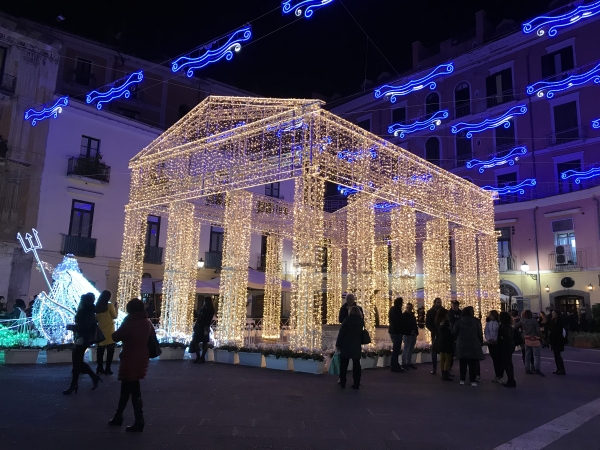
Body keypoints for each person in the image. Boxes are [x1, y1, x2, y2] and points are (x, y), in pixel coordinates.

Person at [109, 298, 155, 432]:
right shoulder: (147, 322)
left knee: (131, 388)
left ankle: (137, 420)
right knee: (129, 387)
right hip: (142, 356)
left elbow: (115, 336)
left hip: (130, 357)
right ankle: (120, 416)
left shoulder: (130, 322)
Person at [64, 293, 102, 395]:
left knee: (77, 361)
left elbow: (85, 326)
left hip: (83, 338)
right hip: (81, 337)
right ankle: (88, 379)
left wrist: (73, 327)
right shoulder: (89, 310)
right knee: (77, 361)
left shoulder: (87, 311)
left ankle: (76, 383)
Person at [452, 306, 484, 386]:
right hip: (473, 343)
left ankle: (462, 379)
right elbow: (479, 333)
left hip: (462, 343)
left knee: (462, 363)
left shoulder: (459, 322)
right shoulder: (475, 322)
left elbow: (454, 332)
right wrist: (480, 342)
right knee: (472, 363)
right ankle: (472, 380)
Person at [335, 305, 364, 389]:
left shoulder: (346, 320)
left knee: (344, 364)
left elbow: (341, 334)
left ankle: (343, 381)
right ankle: (356, 382)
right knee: (356, 364)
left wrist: (338, 345)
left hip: (346, 344)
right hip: (356, 344)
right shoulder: (361, 321)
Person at [514, 310, 544, 377]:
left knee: (527, 354)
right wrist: (540, 337)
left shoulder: (522, 320)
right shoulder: (534, 320)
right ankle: (537, 368)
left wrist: (515, 320)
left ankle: (527, 368)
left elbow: (515, 326)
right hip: (534, 338)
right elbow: (538, 330)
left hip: (526, 338)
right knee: (536, 355)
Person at [95, 290, 118, 375]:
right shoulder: (110, 305)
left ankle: (99, 367)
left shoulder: (97, 306)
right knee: (110, 350)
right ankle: (107, 369)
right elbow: (115, 316)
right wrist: (116, 308)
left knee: (100, 350)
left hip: (100, 331)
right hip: (109, 331)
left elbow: (96, 319)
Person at [432, 307, 453, 381]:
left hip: (440, 341)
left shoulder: (437, 321)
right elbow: (448, 332)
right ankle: (445, 372)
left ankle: (442, 371)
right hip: (446, 341)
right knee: (448, 358)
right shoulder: (446, 322)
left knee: (442, 358)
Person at [192, 297, 215, 363]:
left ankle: (202, 357)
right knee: (195, 341)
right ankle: (199, 356)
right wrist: (196, 325)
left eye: (205, 301)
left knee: (204, 342)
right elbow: (199, 317)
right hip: (199, 326)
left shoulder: (210, 309)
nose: (204, 302)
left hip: (204, 327)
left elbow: (209, 319)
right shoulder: (203, 308)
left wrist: (206, 327)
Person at [498, 312, 516, 388]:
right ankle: (511, 380)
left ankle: (511, 380)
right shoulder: (509, 326)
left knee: (507, 363)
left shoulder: (504, 326)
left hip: (506, 346)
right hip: (510, 345)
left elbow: (504, 336)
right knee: (508, 363)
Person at [426, 297, 443, 375]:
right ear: (434, 303)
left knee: (444, 351)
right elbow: (428, 323)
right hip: (435, 333)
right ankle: (434, 368)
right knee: (434, 350)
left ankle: (445, 368)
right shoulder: (430, 312)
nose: (439, 304)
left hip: (443, 334)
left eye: (440, 302)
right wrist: (433, 330)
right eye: (438, 302)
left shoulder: (443, 311)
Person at [485, 310, 502, 383]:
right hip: (491, 343)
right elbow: (486, 332)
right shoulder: (488, 323)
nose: (490, 316)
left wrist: (495, 339)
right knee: (495, 360)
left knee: (498, 360)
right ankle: (497, 375)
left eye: (491, 315)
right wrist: (489, 339)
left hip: (497, 343)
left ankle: (499, 375)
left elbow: (499, 332)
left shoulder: (498, 323)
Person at [388, 297, 405, 373]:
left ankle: (395, 364)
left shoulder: (392, 309)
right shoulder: (397, 310)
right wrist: (401, 330)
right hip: (396, 332)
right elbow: (398, 321)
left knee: (396, 349)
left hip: (392, 331)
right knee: (396, 349)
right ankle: (394, 365)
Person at [400, 302, 418, 370]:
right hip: (407, 334)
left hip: (413, 334)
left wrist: (416, 332)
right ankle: (404, 363)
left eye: (410, 307)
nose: (408, 309)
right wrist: (410, 331)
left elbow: (414, 324)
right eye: (407, 307)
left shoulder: (412, 315)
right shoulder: (404, 315)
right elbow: (403, 325)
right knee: (406, 348)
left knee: (410, 349)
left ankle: (408, 362)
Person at [548, 310, 566, 375]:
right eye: (552, 313)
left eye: (554, 313)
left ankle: (561, 369)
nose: (553, 314)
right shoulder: (552, 320)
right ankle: (558, 368)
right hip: (554, 339)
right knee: (556, 355)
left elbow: (557, 330)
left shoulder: (559, 321)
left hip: (558, 339)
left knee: (558, 355)